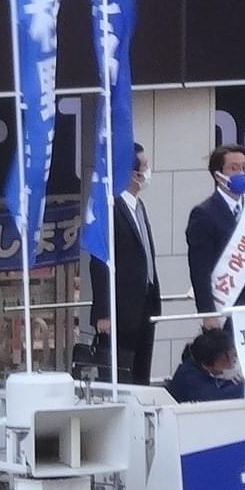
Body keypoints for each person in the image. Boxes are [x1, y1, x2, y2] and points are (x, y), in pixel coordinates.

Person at [89, 143, 161, 385]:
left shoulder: (138, 206)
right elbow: (99, 261)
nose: (148, 172)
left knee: (142, 371)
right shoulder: (111, 208)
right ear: (132, 174)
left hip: (146, 303)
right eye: (145, 167)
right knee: (120, 372)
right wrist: (103, 312)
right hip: (121, 308)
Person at [186, 145, 245, 329]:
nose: (242, 173)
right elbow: (199, 270)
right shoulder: (204, 213)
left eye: (244, 167)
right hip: (227, 306)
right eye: (234, 168)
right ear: (218, 175)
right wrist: (208, 313)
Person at [167, 329, 244, 403]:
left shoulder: (198, 365)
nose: (234, 362)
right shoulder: (189, 378)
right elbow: (216, 398)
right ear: (217, 360)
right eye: (232, 358)